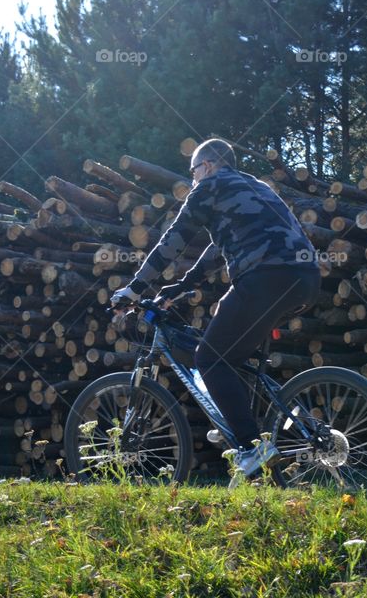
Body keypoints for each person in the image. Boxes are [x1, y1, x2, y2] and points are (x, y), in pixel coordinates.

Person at [110, 138, 321, 480]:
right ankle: (259, 433)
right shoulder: (254, 186)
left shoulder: (208, 187)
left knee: (209, 359)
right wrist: (183, 286)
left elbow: (173, 240)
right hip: (306, 279)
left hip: (266, 278)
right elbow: (216, 248)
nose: (192, 179)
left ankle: (252, 447)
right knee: (231, 353)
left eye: (193, 171)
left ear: (206, 166)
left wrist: (134, 289)